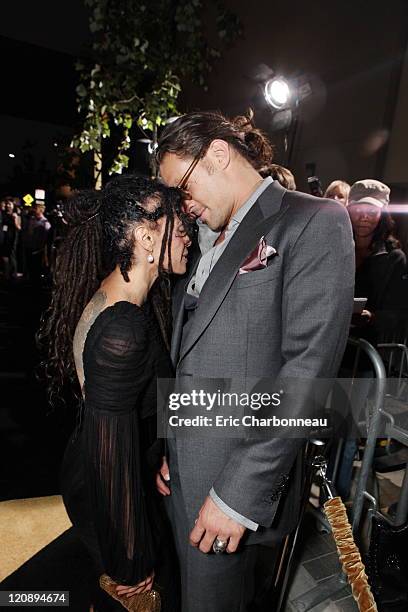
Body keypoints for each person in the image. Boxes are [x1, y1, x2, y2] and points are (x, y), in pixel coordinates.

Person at [156, 110, 355, 612]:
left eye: (183, 187)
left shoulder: (314, 220)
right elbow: (193, 353)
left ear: (218, 154)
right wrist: (172, 445)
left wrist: (238, 495)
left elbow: (306, 373)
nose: (185, 205)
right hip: (184, 468)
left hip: (235, 484)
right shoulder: (201, 239)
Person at [38, 176, 191, 611]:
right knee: (141, 592)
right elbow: (110, 454)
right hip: (106, 482)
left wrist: (157, 449)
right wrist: (129, 558)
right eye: (177, 225)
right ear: (146, 236)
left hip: (115, 467)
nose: (187, 235)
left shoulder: (127, 298)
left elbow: (131, 410)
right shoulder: (122, 327)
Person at [22, 201, 51, 283]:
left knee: (36, 268)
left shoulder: (45, 223)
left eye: (36, 208)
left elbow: (46, 239)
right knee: (30, 267)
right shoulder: (31, 220)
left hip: (38, 250)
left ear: (41, 210)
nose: (34, 210)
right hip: (29, 247)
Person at [0, 196, 21, 280]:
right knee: (4, 256)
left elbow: (19, 228)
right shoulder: (4, 214)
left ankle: (13, 273)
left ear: (13, 205)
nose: (8, 205)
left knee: (11, 255)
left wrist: (15, 218)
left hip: (13, 238)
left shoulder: (16, 214)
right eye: (7, 204)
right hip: (4, 237)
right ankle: (6, 274)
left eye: (9, 204)